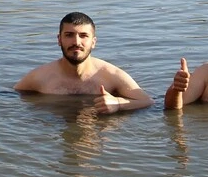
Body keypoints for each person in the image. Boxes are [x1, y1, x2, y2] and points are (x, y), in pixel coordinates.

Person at [14, 12, 154, 114]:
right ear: (59, 40)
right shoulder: (39, 77)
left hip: (98, 134)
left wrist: (118, 104)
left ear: (93, 42)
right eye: (69, 35)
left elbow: (147, 102)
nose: (76, 42)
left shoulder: (111, 75)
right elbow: (11, 100)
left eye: (83, 36)